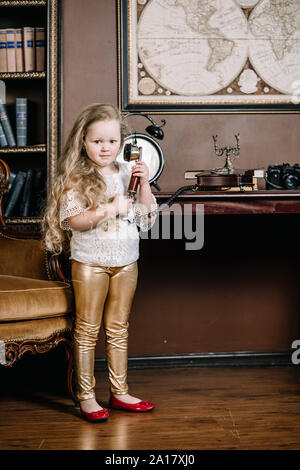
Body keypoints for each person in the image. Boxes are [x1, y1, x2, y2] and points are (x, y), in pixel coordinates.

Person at [43, 103, 157, 422]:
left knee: (119, 328)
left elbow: (147, 219)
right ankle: (87, 397)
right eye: (97, 141)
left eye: (111, 141)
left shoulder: (126, 172)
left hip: (126, 261)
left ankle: (119, 393)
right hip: (90, 263)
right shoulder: (76, 176)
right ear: (83, 141)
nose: (105, 148)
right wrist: (111, 208)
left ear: (121, 143)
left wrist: (144, 183)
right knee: (87, 329)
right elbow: (74, 221)